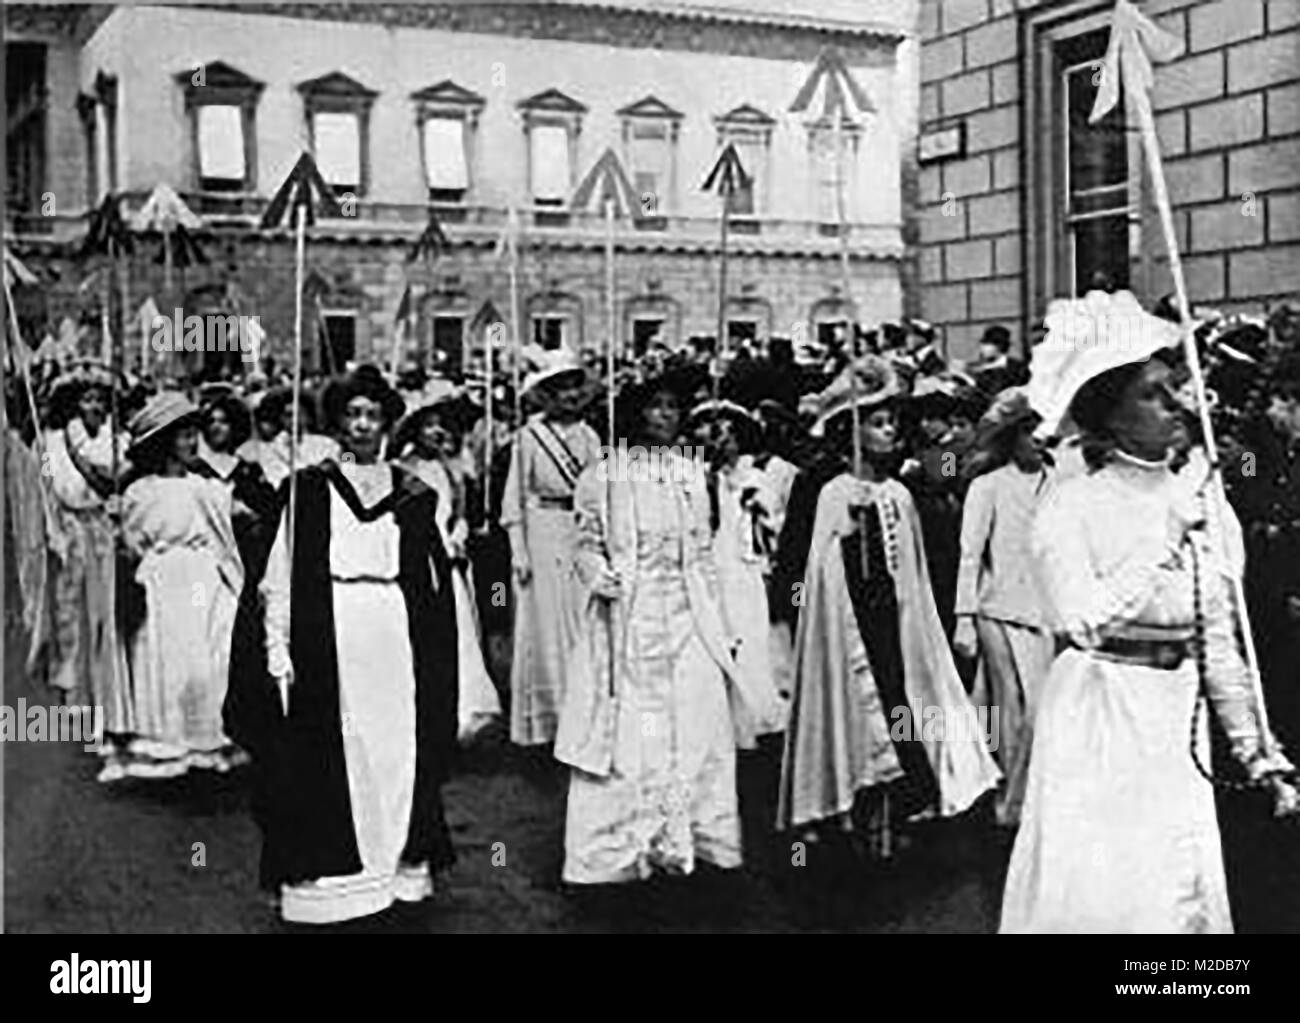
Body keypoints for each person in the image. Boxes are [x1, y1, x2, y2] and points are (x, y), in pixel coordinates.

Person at [1002, 292, 1297, 933]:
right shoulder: (1071, 506)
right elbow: (1084, 622)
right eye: (1152, 395)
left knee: (1178, 885)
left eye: (1174, 390)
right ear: (1108, 415)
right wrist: (1164, 539)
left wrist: (1257, 753)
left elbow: (1218, 637)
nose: (1176, 406)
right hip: (1101, 711)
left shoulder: (1202, 498)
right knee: (1114, 888)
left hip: (1175, 717)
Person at [257, 365, 459, 924]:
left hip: (393, 630)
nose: (363, 425)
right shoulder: (309, 486)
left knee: (397, 748)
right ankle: (338, 880)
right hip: (333, 630)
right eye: (353, 414)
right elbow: (281, 572)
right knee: (344, 749)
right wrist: (280, 645)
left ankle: (397, 869)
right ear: (338, 422)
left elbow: (434, 582)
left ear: (389, 422)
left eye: (373, 415)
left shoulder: (414, 492)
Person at [778, 357, 1001, 851]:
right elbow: (814, 566)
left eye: (893, 424)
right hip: (856, 615)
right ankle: (855, 800)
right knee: (861, 701)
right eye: (879, 424)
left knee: (903, 700)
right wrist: (846, 538)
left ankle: (903, 796)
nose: (894, 433)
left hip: (902, 608)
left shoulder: (908, 482)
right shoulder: (834, 492)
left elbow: (928, 532)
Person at [556, 365, 758, 885]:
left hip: (689, 616)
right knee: (635, 729)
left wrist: (720, 620)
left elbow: (704, 553)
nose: (666, 416)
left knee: (695, 718)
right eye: (655, 406)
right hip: (630, 614)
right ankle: (626, 846)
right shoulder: (605, 474)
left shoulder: (693, 472)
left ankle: (692, 836)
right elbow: (583, 543)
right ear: (636, 414)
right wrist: (600, 577)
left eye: (673, 407)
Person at [117, 392, 245, 780]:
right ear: (163, 441)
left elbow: (228, 521)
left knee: (208, 658)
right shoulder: (141, 491)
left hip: (204, 580)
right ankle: (169, 743)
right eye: (183, 436)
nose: (193, 443)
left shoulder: (207, 487)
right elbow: (133, 541)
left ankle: (209, 739)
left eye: (195, 435)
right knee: (169, 659)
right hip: (162, 580)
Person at [952, 387, 1055, 827]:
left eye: (1043, 432)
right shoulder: (987, 486)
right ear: (1012, 437)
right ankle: (1012, 806)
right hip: (1000, 610)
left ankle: (1030, 795)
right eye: (1029, 432)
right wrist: (965, 618)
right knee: (1015, 708)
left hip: (1050, 613)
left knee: (1043, 710)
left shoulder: (1064, 482)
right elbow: (970, 554)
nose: (1038, 440)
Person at [501, 347, 601, 746]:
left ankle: (581, 709)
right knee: (544, 624)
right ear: (546, 393)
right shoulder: (528, 437)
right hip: (541, 530)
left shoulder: (591, 436)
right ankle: (548, 716)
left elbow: (599, 491)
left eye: (576, 387)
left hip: (578, 530)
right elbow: (514, 497)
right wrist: (518, 551)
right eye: (561, 388)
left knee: (582, 620)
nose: (571, 396)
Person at [394, 381, 502, 745]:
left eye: (441, 424)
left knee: (459, 630)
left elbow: (458, 514)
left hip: (451, 560)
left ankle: (463, 707)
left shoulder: (450, 469)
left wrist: (457, 536)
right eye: (428, 424)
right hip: (420, 560)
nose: (435, 431)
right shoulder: (401, 469)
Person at [42, 362, 132, 776]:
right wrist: (54, 533)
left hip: (105, 533)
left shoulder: (120, 439)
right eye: (86, 399)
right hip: (70, 534)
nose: (93, 406)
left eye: (100, 399)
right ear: (73, 404)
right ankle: (79, 700)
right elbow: (46, 492)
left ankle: (110, 702)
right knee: (72, 617)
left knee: (106, 619)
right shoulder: (53, 443)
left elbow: (120, 483)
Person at [689, 398, 787, 735]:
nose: (720, 444)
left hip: (742, 563)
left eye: (727, 436)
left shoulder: (756, 477)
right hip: (711, 560)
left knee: (748, 629)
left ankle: (751, 708)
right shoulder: (701, 476)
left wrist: (755, 506)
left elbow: (771, 523)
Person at [237, 386, 339, 491]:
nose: (294, 420)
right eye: (288, 415)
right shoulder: (270, 449)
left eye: (299, 414)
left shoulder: (327, 444)